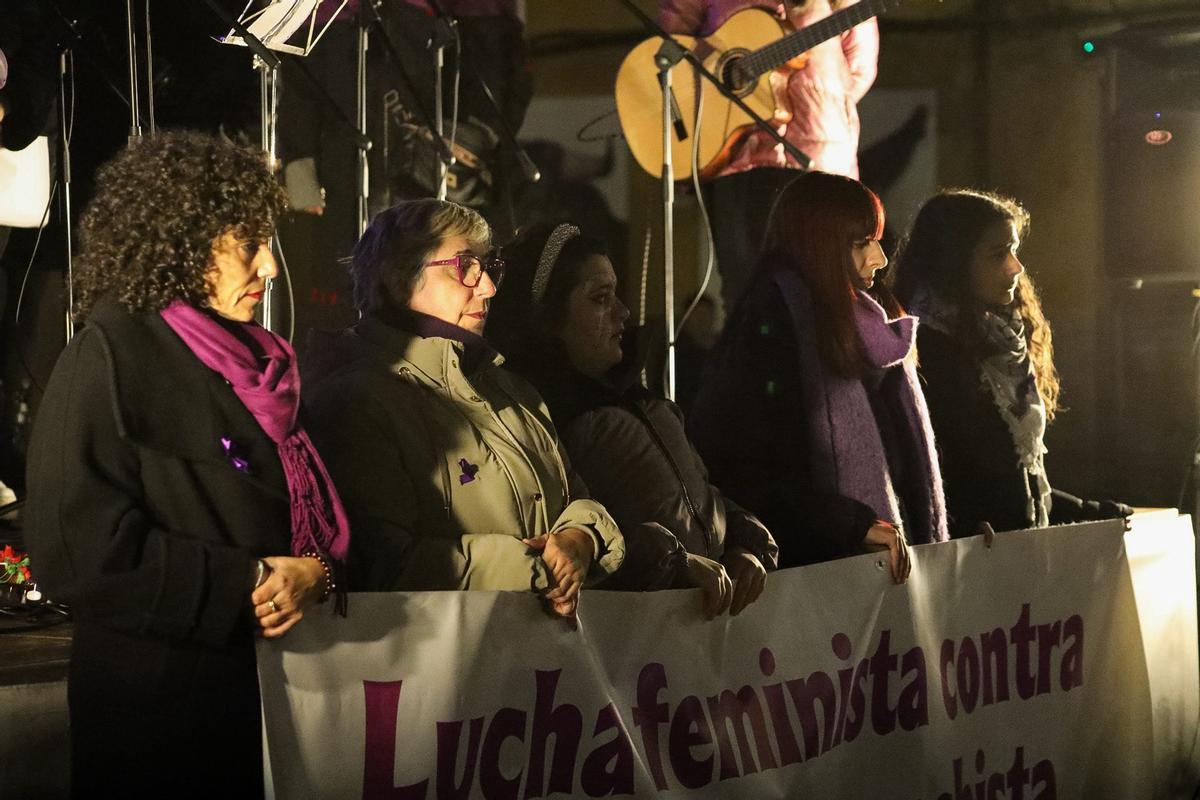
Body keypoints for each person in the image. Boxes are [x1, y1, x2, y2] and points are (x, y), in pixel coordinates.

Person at [23, 130, 349, 798]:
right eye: (247, 243)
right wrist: (248, 580)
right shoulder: (108, 357)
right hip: (160, 724)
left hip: (275, 709)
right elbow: (76, 553)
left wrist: (316, 572)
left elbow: (308, 518)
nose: (270, 267)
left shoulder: (262, 365)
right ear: (183, 238)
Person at [301, 199, 624, 617]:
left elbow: (578, 497)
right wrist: (536, 568)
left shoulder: (510, 391)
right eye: (465, 267)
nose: (488, 286)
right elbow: (381, 562)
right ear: (401, 279)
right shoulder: (356, 400)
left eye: (488, 267)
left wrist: (582, 537)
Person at [489, 223, 779, 617]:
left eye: (617, 295)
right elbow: (581, 537)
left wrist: (747, 543)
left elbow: (703, 497)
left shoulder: (643, 401)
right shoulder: (539, 424)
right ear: (548, 317)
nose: (623, 313)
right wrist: (675, 564)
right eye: (600, 299)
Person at [688, 171, 947, 580]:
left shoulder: (860, 321)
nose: (879, 258)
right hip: (814, 580)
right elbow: (748, 470)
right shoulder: (771, 326)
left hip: (876, 571)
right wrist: (850, 524)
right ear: (819, 244)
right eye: (861, 243)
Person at [891, 189, 1131, 537]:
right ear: (953, 261)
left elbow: (1017, 480)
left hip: (1012, 549)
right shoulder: (924, 349)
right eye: (998, 254)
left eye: (1014, 250)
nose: (1016, 267)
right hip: (968, 558)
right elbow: (944, 477)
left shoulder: (999, 337)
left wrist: (1087, 512)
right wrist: (965, 524)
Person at [660, 0, 879, 313]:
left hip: (813, 156)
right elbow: (672, 45)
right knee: (745, 292)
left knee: (822, 287)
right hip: (732, 151)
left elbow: (858, 67)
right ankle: (756, 358)